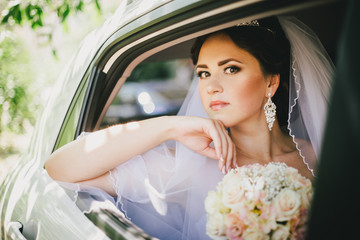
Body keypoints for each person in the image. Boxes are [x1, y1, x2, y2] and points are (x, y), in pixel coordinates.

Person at [45, 16, 334, 239]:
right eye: (204, 73)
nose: (211, 87)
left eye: (231, 68)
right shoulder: (185, 169)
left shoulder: (324, 157)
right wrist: (169, 127)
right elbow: (59, 167)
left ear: (271, 82)